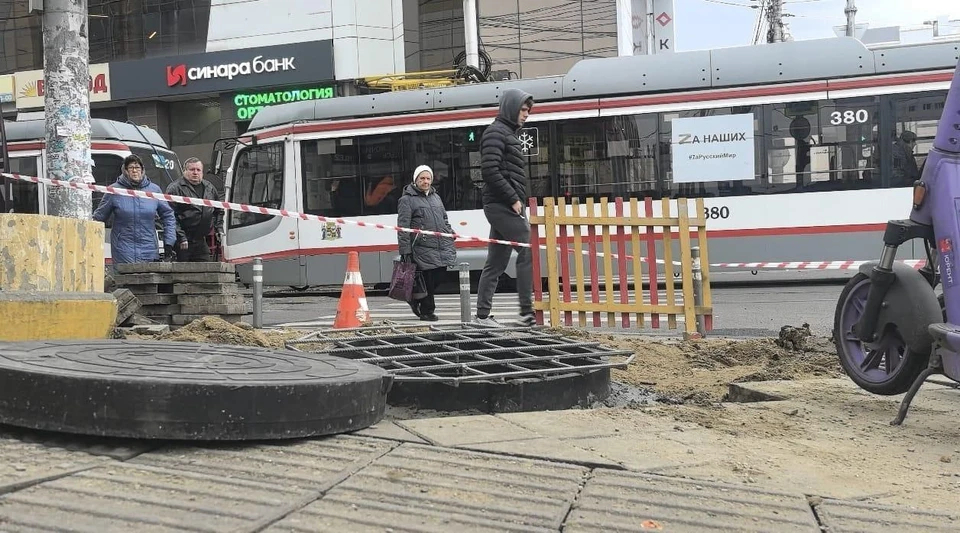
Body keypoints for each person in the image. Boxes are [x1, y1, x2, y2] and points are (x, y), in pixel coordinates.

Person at [474, 87, 536, 327]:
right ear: (510, 108)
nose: (526, 114)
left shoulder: (507, 134)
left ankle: (482, 316)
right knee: (526, 248)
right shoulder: (495, 133)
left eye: (528, 110)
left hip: (504, 205)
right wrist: (513, 198)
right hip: (500, 204)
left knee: (496, 263)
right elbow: (489, 170)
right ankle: (526, 313)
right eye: (522, 109)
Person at [397, 165, 457, 321]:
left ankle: (414, 298)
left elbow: (444, 219)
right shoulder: (406, 200)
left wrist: (450, 232)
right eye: (422, 178)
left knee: (440, 275)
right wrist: (405, 251)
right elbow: (403, 227)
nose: (425, 181)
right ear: (416, 180)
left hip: (440, 244)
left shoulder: (436, 197)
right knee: (428, 280)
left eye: (428, 178)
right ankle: (427, 311)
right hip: (421, 247)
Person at [93, 154, 178, 264]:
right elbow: (98, 218)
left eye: (137, 167)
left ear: (142, 170)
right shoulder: (114, 190)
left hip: (149, 248)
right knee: (126, 280)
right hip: (123, 249)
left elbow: (168, 215)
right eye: (131, 168)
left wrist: (169, 243)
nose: (134, 171)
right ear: (125, 171)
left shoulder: (154, 190)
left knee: (148, 280)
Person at [165, 157, 224, 262]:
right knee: (183, 275)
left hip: (201, 241)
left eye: (198, 170)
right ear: (185, 171)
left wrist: (218, 228)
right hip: (182, 242)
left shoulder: (209, 188)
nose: (195, 173)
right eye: (192, 170)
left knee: (205, 272)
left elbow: (219, 210)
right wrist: (181, 236)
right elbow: (169, 216)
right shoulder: (175, 188)